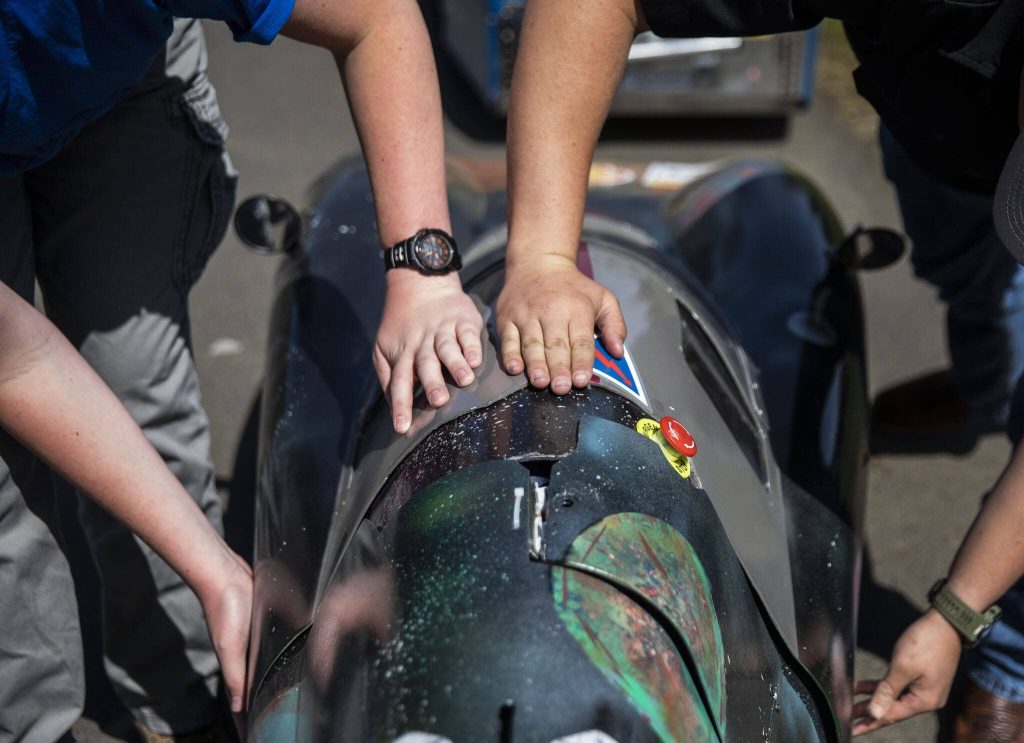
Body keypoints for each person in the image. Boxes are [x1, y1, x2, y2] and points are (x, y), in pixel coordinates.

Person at [496, 0, 1024, 739]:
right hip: (939, 103)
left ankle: (1013, 665)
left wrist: (956, 614)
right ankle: (989, 379)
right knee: (964, 271)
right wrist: (543, 258)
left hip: (975, 109)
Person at [0, 0, 481, 739]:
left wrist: (422, 272)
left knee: (136, 388)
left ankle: (188, 714)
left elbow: (378, 17)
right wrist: (213, 566)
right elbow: (16, 359)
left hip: (119, 83)